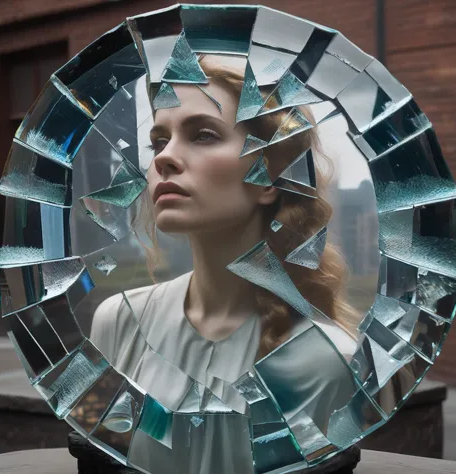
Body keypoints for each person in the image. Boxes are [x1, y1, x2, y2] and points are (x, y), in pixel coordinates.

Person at [90, 54, 360, 474]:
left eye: (202, 135)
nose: (164, 159)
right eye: (158, 142)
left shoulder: (326, 359)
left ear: (270, 176)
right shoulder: (119, 324)